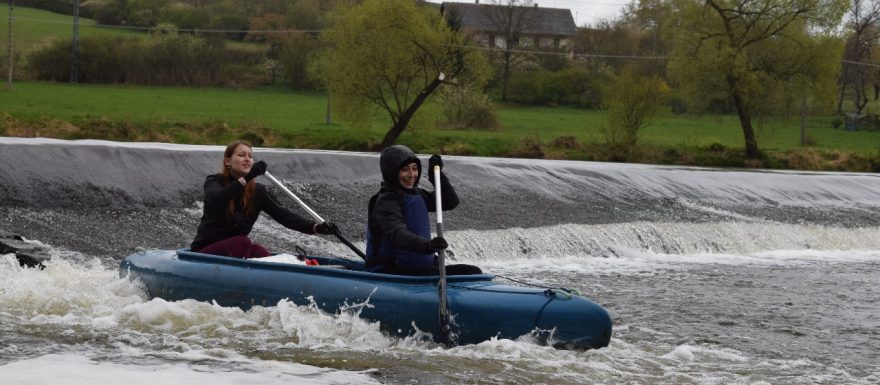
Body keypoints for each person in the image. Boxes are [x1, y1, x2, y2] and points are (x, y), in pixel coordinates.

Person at [190, 140, 337, 259]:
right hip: (204, 252)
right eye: (241, 155)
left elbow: (284, 216)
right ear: (228, 162)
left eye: (250, 156)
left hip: (233, 252)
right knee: (242, 242)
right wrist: (247, 177)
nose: (247, 159)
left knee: (257, 250)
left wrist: (316, 227)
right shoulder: (214, 181)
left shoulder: (257, 192)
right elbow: (217, 199)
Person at [365, 145, 482, 275]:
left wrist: (435, 175)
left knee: (473, 271)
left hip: (420, 266)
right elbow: (397, 234)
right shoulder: (386, 202)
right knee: (462, 272)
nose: (411, 175)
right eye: (405, 170)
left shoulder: (416, 194)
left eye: (414, 169)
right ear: (391, 172)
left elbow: (450, 201)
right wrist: (428, 246)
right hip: (393, 269)